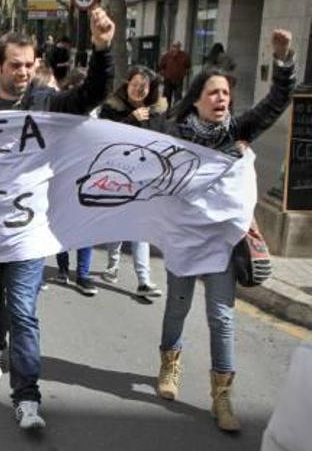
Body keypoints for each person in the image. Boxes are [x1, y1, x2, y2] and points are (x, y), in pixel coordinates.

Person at [0, 7, 115, 430]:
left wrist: (102, 48)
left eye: (30, 65)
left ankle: (27, 398)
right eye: (15, 65)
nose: (23, 72)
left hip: (28, 230)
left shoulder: (45, 102)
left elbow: (90, 95)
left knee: (23, 311)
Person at [145, 29, 296, 432]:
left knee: (221, 318)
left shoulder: (238, 132)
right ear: (196, 98)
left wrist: (283, 62)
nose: (222, 99)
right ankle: (169, 367)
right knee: (177, 308)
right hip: (183, 240)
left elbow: (276, 103)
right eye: (213, 93)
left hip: (221, 244)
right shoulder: (172, 132)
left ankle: (222, 396)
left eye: (226, 93)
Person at [97, 65, 169, 298]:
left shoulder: (157, 112)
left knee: (141, 228)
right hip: (118, 174)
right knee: (118, 224)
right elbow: (107, 138)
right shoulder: (111, 109)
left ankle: (144, 280)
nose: (139, 90)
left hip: (145, 177)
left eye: (144, 86)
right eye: (135, 84)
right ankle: (113, 265)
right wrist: (131, 119)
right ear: (127, 84)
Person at [158, 41, 191, 106]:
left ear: (180, 47)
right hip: (168, 79)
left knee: (178, 97)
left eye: (177, 46)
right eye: (174, 46)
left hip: (178, 80)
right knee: (167, 97)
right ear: (171, 47)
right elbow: (161, 66)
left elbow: (188, 66)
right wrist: (163, 74)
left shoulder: (184, 56)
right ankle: (166, 111)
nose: (175, 48)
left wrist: (184, 73)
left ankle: (176, 111)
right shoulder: (166, 55)